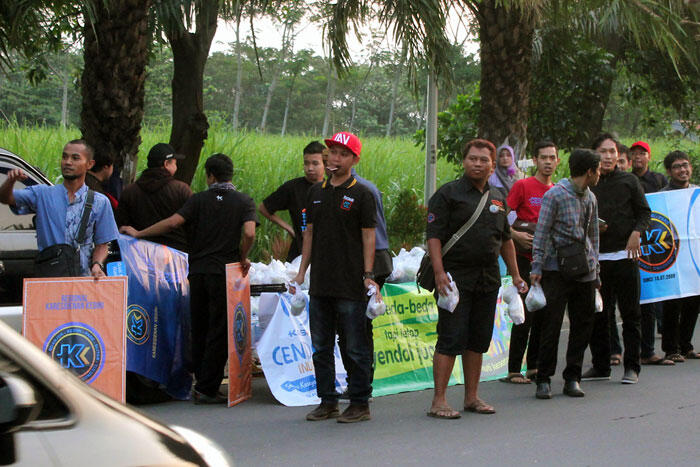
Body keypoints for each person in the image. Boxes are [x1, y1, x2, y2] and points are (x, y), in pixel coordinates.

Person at [120, 154, 257, 404]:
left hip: (196, 271)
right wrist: (243, 256)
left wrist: (139, 233)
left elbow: (173, 223)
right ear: (230, 175)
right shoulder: (244, 201)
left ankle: (198, 382)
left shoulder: (198, 200)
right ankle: (207, 387)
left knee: (200, 327)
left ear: (210, 176)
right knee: (219, 330)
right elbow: (249, 232)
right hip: (223, 273)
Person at [425, 138, 527, 419]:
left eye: (484, 160)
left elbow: (506, 240)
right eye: (473, 158)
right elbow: (433, 236)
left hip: (488, 279)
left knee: (478, 339)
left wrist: (516, 275)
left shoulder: (497, 197)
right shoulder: (448, 194)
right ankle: (439, 401)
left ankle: (472, 397)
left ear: (493, 165)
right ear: (464, 160)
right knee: (449, 338)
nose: (478, 164)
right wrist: (438, 271)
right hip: (454, 281)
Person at [292, 131, 379, 424]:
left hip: (351, 284)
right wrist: (302, 271)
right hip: (320, 285)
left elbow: (369, 237)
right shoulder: (316, 192)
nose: (335, 158)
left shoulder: (362, 193)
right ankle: (327, 401)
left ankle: (359, 403)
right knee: (320, 347)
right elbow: (309, 233)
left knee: (355, 347)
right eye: (332, 152)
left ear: (354, 159)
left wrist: (368, 274)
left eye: (343, 153)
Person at [531, 148, 600, 400]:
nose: (599, 174)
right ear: (590, 171)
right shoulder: (555, 196)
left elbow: (593, 236)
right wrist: (537, 266)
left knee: (582, 325)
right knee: (551, 324)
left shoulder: (591, 198)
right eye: (598, 170)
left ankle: (573, 377)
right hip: (555, 269)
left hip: (585, 271)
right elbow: (542, 231)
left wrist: (597, 271)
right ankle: (543, 379)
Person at [582, 133, 651, 385]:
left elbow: (645, 214)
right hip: (595, 260)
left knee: (631, 314)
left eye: (612, 151)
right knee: (599, 314)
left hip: (626, 256)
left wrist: (636, 233)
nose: (608, 156)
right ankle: (601, 365)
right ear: (594, 154)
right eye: (603, 151)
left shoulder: (629, 181)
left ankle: (632, 366)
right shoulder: (587, 183)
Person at [0, 139, 118, 278]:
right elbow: (6, 199)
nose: (68, 162)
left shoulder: (100, 202)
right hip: (51, 280)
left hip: (84, 283)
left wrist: (97, 265)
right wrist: (10, 181)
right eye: (64, 157)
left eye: (75, 158)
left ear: (89, 164)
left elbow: (103, 243)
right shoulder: (42, 194)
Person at [501, 140, 559, 385]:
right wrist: (515, 236)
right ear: (535, 160)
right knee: (523, 316)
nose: (547, 161)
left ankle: (534, 367)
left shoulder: (558, 191)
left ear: (557, 161)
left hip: (548, 263)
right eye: (543, 157)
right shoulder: (522, 186)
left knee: (544, 316)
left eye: (552, 157)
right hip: (523, 261)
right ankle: (514, 369)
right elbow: (499, 216)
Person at [630, 140, 671, 365]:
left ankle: (650, 348)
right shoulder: (627, 180)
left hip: (656, 242)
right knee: (636, 300)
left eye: (642, 153)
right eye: (633, 153)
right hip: (632, 243)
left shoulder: (658, 180)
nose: (637, 157)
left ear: (649, 156)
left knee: (655, 294)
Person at [659, 151, 700, 362]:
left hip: (694, 257)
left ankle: (687, 346)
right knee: (672, 302)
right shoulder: (663, 197)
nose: (682, 170)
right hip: (673, 258)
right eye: (677, 166)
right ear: (669, 171)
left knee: (694, 299)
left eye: (685, 165)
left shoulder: (697, 193)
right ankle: (670, 348)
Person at [116, 143, 193, 253]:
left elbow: (121, 226)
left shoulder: (130, 191)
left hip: (139, 256)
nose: (176, 167)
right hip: (176, 257)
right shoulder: (181, 190)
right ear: (166, 164)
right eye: (175, 163)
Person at [259, 141, 326, 262]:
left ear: (325, 165)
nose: (310, 168)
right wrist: (289, 229)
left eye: (315, 163)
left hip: (324, 255)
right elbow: (264, 208)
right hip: (298, 255)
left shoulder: (331, 188)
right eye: (306, 163)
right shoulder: (293, 187)